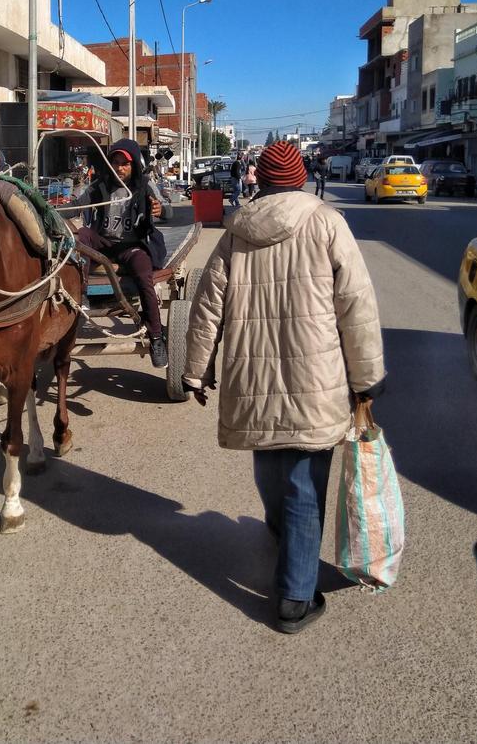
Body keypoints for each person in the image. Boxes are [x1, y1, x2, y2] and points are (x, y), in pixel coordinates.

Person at [181, 140, 385, 633]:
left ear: (262, 181)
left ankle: (283, 530)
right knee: (303, 487)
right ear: (300, 177)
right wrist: (367, 378)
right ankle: (295, 598)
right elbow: (356, 304)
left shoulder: (236, 233)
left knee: (272, 463)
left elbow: (208, 305)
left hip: (252, 379)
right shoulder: (326, 222)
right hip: (317, 383)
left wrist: (196, 370)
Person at [60, 138, 172, 368]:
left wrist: (160, 210)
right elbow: (76, 206)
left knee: (144, 276)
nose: (119, 167)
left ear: (134, 166)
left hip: (132, 245)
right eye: (115, 162)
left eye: (125, 163)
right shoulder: (101, 185)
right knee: (81, 235)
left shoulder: (145, 186)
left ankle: (156, 337)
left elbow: (167, 210)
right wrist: (49, 211)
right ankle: (82, 296)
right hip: (103, 242)